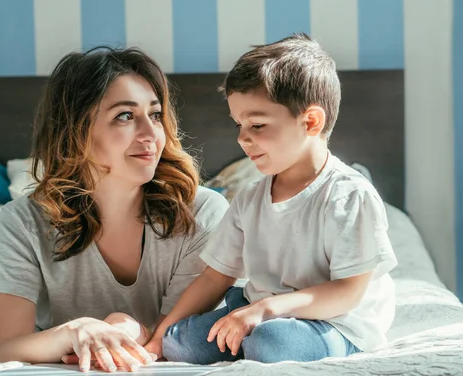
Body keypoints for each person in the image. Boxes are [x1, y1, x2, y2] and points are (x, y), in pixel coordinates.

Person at [144, 33, 398, 364]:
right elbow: (215, 277)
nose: (242, 138)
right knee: (182, 342)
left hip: (336, 323)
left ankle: (256, 334)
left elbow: (347, 292)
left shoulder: (348, 196)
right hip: (259, 312)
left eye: (257, 124)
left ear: (310, 121)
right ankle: (246, 331)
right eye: (238, 124)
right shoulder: (250, 199)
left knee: (270, 342)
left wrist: (265, 310)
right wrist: (160, 336)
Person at [0, 46, 229, 373]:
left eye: (155, 115)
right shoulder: (23, 222)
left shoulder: (202, 213)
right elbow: (2, 347)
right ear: (76, 132)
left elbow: (167, 337)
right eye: (125, 116)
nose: (151, 135)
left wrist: (124, 326)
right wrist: (76, 331)